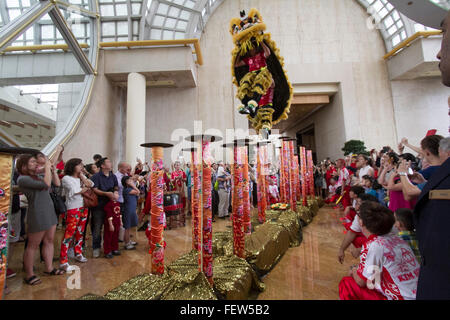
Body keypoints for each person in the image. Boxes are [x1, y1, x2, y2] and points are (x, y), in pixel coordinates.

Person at [339, 201, 419, 300]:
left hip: (403, 297)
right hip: (419, 292)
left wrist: (354, 270)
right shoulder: (398, 239)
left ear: (361, 222)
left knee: (347, 283)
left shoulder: (374, 245)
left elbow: (362, 282)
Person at [17, 154, 65, 286]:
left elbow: (55, 182)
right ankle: (29, 275)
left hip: (49, 211)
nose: (36, 164)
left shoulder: (36, 176)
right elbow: (46, 184)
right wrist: (48, 167)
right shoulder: (23, 179)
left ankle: (49, 268)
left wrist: (52, 166)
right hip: (37, 213)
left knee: (49, 241)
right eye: (32, 162)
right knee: (32, 245)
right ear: (24, 166)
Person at [59, 158, 94, 271]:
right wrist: (85, 186)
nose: (81, 167)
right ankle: (63, 260)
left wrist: (83, 177)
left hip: (84, 207)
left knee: (80, 232)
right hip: (73, 208)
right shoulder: (66, 178)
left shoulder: (81, 178)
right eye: (79, 165)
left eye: (81, 165)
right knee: (69, 234)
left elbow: (90, 184)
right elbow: (77, 191)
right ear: (72, 166)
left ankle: (78, 252)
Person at [337, 194, 379, 262]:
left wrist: (361, 249)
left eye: (358, 204)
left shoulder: (379, 218)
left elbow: (382, 244)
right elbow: (351, 232)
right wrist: (341, 249)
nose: (356, 207)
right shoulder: (360, 215)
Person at [91, 157, 119, 258]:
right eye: (108, 162)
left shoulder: (113, 176)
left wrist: (115, 192)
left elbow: (116, 186)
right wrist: (106, 193)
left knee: (110, 228)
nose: (110, 163)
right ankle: (96, 247)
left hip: (111, 206)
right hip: (99, 205)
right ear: (102, 166)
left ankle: (110, 247)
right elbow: (95, 189)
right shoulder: (96, 177)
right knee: (97, 227)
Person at [122, 176, 139, 250]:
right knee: (127, 227)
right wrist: (133, 185)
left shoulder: (131, 189)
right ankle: (127, 244)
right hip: (127, 210)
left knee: (129, 227)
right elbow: (138, 192)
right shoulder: (126, 190)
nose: (132, 181)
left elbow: (137, 194)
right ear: (126, 182)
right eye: (130, 180)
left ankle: (128, 241)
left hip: (131, 209)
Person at [103, 192, 122, 259]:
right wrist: (111, 224)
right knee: (108, 237)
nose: (118, 195)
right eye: (116, 193)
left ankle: (114, 249)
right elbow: (109, 215)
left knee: (115, 236)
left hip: (117, 223)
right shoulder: (109, 204)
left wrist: (121, 221)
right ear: (111, 195)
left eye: (118, 193)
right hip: (111, 224)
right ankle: (107, 251)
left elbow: (119, 214)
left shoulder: (118, 203)